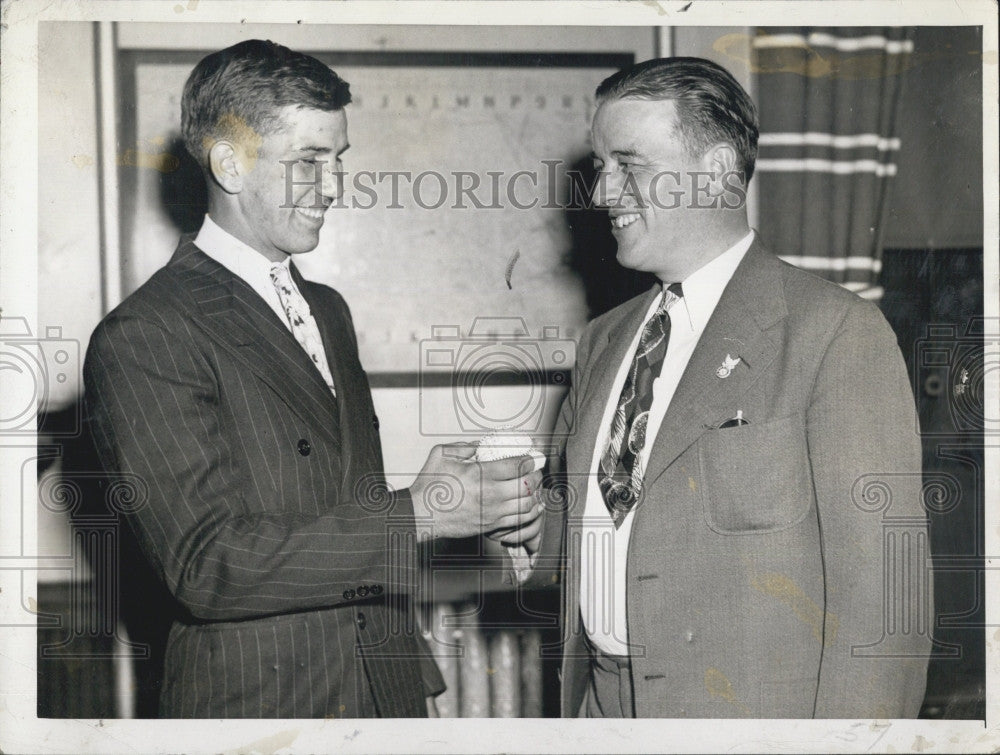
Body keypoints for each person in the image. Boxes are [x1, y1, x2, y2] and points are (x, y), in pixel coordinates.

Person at [83, 39, 542, 719]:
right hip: (263, 707)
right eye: (308, 161)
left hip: (383, 691)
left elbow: (329, 505)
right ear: (229, 164)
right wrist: (420, 512)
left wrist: (456, 503)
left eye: (338, 160)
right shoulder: (148, 333)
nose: (332, 186)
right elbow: (207, 565)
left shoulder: (327, 309)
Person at [520, 57, 932, 718]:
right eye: (602, 166)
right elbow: (580, 535)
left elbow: (883, 605)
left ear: (714, 172)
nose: (603, 193)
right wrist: (513, 526)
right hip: (599, 712)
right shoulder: (602, 340)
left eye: (630, 164)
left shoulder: (833, 332)